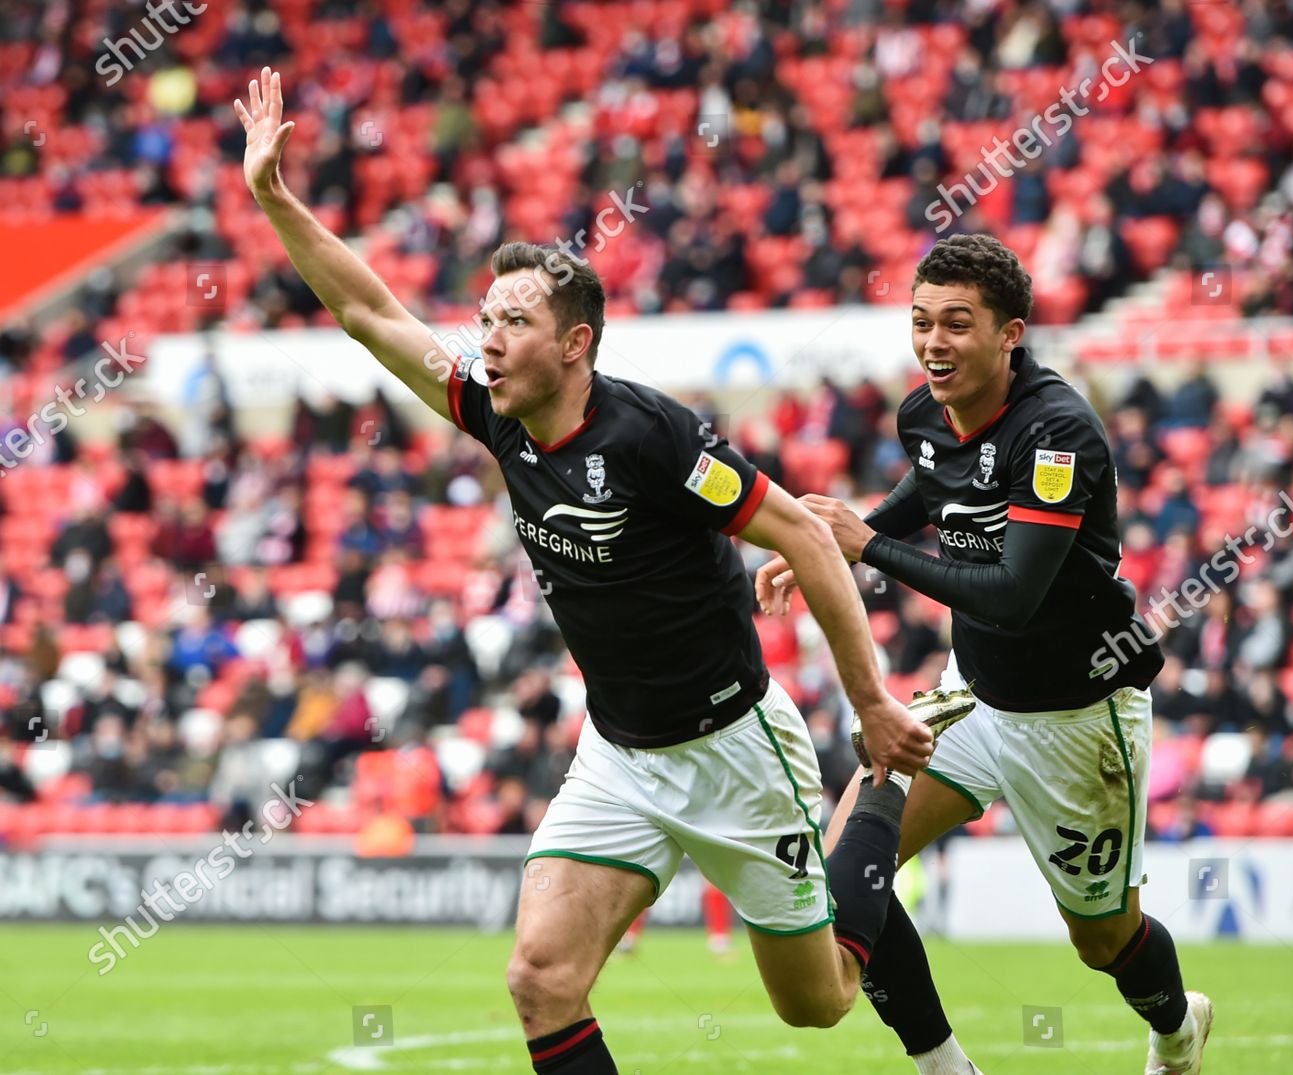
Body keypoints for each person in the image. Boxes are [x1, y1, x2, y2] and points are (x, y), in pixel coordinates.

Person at [236, 67, 947, 1074]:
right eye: (483, 318)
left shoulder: (653, 436)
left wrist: (870, 700)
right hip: (617, 752)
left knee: (819, 1003)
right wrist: (274, 197)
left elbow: (805, 533)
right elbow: (368, 313)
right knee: (540, 978)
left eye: (511, 322)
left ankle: (876, 791)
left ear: (574, 345)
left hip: (735, 751)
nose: (486, 338)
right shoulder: (497, 415)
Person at [758, 234, 1214, 1075]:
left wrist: (865, 547)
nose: (934, 342)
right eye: (922, 321)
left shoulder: (1058, 431)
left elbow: (1013, 593)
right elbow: (931, 485)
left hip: (1078, 715)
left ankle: (1179, 1025)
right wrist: (836, 539)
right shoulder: (923, 414)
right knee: (847, 871)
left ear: (1011, 333)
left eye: (957, 324)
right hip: (971, 697)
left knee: (1102, 938)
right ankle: (945, 1066)